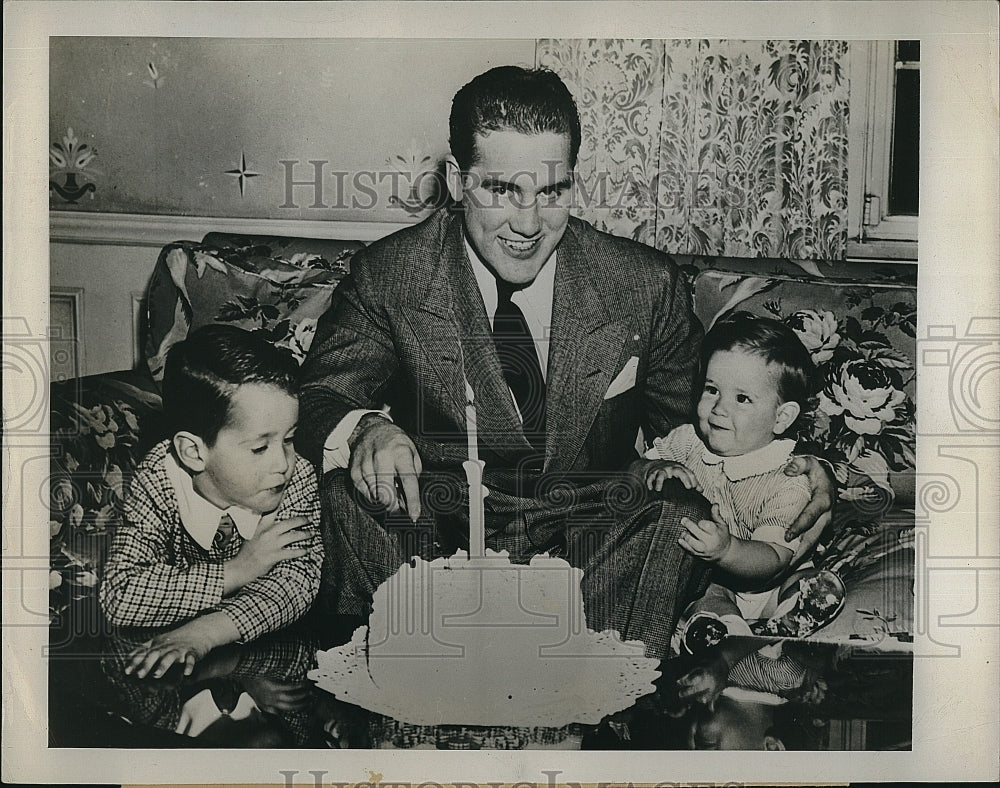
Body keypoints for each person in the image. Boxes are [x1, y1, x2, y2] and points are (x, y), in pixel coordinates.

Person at [297, 65, 833, 657]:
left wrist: (798, 466)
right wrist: (367, 427)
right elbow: (318, 398)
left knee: (675, 512)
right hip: (437, 534)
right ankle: (415, 669)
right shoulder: (391, 274)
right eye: (503, 190)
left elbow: (700, 424)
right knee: (348, 494)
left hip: (590, 546)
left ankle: (584, 681)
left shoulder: (642, 283)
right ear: (457, 181)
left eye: (551, 192)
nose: (529, 224)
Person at [100, 325, 323, 678]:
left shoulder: (296, 479)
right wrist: (236, 571)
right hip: (169, 673)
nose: (283, 462)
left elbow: (296, 584)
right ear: (193, 452)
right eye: (260, 447)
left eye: (290, 439)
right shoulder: (160, 478)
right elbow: (121, 595)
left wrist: (205, 632)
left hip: (271, 654)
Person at [642, 312, 827, 633]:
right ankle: (722, 629)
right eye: (712, 390)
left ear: (781, 418)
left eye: (742, 398)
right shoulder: (687, 441)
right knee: (707, 595)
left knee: (802, 582)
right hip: (711, 577)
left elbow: (773, 559)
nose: (719, 408)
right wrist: (653, 467)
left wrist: (727, 550)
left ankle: (794, 615)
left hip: (770, 578)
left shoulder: (790, 478)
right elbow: (636, 468)